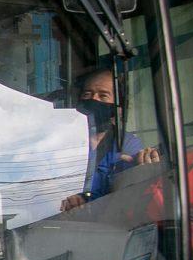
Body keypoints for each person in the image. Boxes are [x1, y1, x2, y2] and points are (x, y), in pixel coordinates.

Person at [61, 69, 161, 211]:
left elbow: (123, 193)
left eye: (103, 96)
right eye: (87, 94)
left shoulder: (126, 143)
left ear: (118, 108)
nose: (94, 99)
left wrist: (143, 168)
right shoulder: (62, 138)